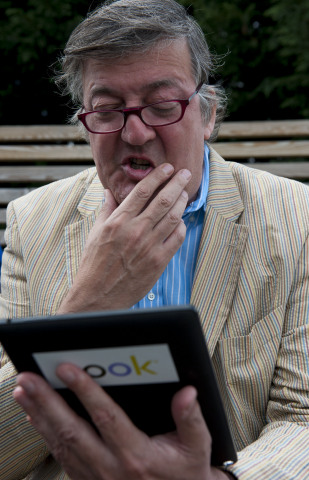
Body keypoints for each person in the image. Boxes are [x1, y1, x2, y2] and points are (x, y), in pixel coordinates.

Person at [0, 0, 308, 479]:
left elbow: (303, 416)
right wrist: (89, 306)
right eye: (107, 111)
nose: (136, 132)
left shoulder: (297, 219)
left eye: (162, 107)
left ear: (207, 116)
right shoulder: (32, 221)